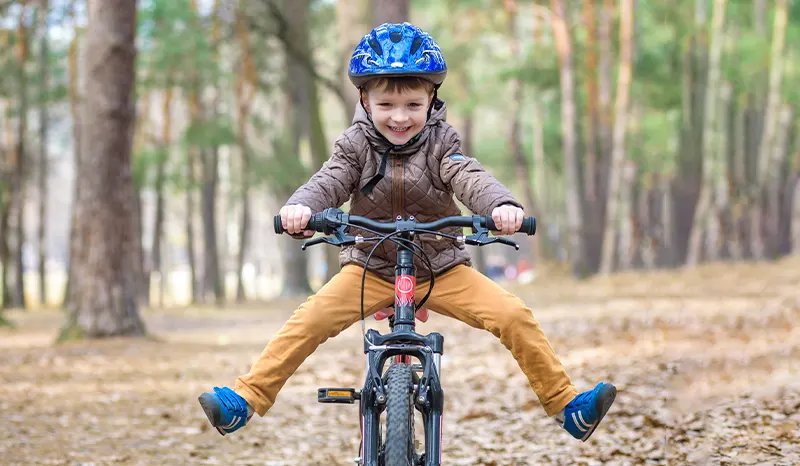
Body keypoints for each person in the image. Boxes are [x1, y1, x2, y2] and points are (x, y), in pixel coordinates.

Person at [198, 22, 616, 442]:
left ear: (431, 99)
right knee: (308, 321)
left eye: (414, 105)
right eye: (387, 105)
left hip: (441, 268)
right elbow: (330, 180)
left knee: (512, 314)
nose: (400, 117)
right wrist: (302, 208)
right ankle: (245, 400)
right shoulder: (354, 146)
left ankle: (566, 405)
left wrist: (501, 206)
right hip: (371, 267)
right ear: (364, 99)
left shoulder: (441, 142)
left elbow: (468, 175)